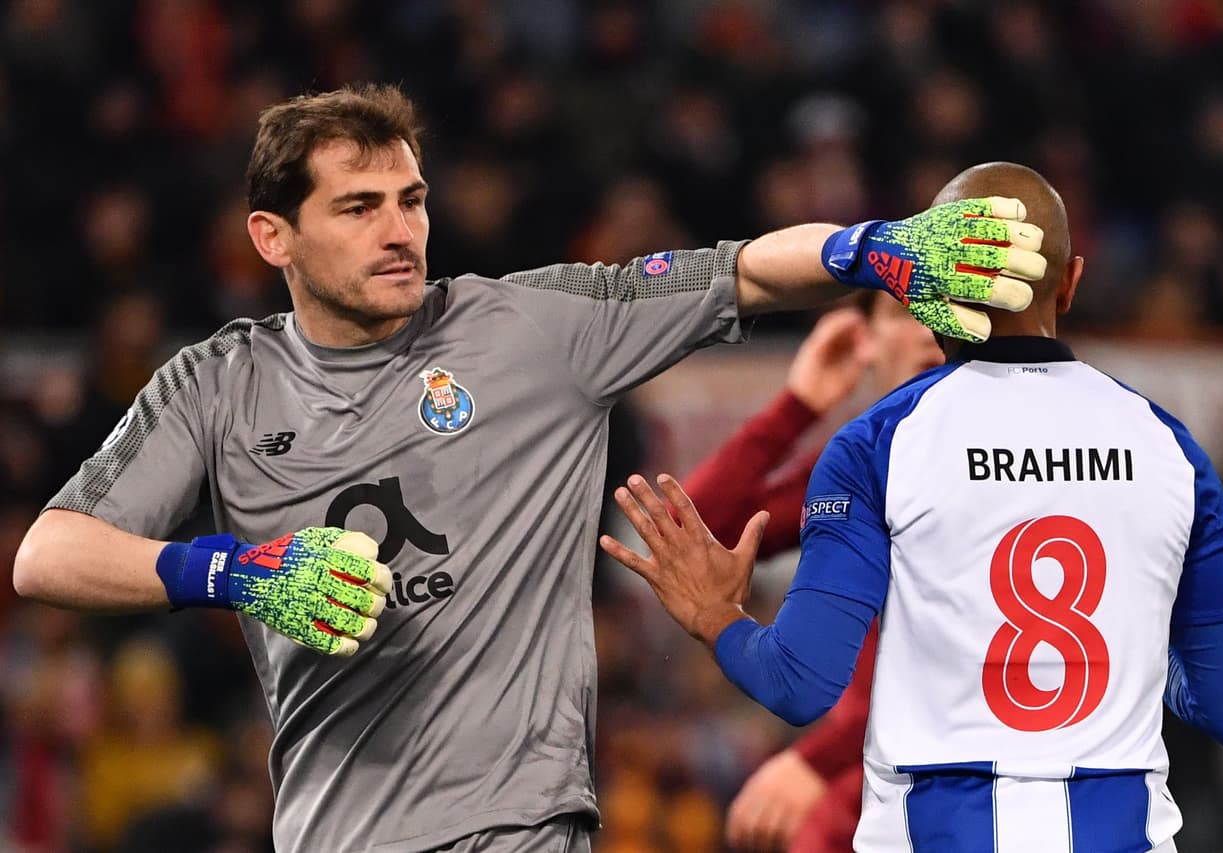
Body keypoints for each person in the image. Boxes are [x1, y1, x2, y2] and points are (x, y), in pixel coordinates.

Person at [11, 82, 1048, 853]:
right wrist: (233, 573)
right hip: (333, 832)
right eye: (358, 206)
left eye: (411, 199)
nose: (399, 230)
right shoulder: (219, 384)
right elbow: (48, 555)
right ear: (271, 236)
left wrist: (871, 247)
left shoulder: (528, 329)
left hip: (523, 825)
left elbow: (735, 269)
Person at [601, 162, 1223, 851]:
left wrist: (717, 618)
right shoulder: (1173, 450)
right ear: (1070, 282)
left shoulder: (878, 446)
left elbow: (798, 683)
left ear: (928, 292)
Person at [679, 293, 943, 851]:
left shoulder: (995, 471)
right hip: (870, 783)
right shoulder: (859, 463)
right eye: (907, 313)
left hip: (954, 781)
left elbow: (966, 668)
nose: (929, 331)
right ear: (865, 339)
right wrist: (798, 403)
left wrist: (816, 764)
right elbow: (693, 531)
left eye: (946, 312)